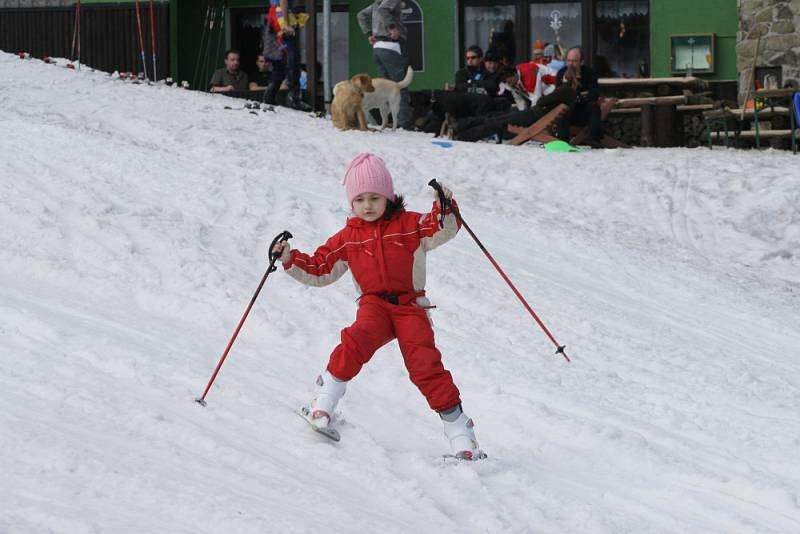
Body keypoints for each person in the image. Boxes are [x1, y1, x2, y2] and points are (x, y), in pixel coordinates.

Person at [272, 153, 486, 460]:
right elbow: (320, 268)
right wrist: (289, 259)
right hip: (373, 304)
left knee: (424, 365)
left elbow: (442, 228)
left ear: (388, 197)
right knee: (356, 340)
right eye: (359, 199)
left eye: (374, 197)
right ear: (351, 203)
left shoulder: (409, 225)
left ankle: (460, 432)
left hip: (410, 306)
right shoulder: (348, 237)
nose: (367, 205)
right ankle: (324, 401)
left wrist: (445, 206)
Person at [447, 84, 576, 142]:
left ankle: (462, 133)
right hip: (534, 116)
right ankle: (459, 126)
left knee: (497, 122)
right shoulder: (569, 94)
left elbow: (542, 101)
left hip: (533, 117)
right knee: (494, 117)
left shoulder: (565, 90)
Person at [357, 1, 413, 130]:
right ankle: (405, 125)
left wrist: (369, 33)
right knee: (400, 86)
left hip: (378, 48)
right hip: (391, 46)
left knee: (385, 89)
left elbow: (361, 15)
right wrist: (392, 27)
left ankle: (388, 122)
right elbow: (384, 9)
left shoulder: (378, 2)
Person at [262, 0, 311, 110]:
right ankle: (294, 98)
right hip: (280, 16)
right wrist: (286, 23)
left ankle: (269, 96)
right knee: (292, 60)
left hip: (276, 15)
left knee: (279, 62)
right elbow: (284, 1)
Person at [555, 47, 602, 142]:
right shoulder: (561, 73)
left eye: (574, 61)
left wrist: (580, 98)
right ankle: (562, 141)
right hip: (568, 112)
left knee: (594, 106)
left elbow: (594, 93)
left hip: (583, 112)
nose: (570, 64)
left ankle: (595, 140)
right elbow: (558, 95)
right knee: (562, 109)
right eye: (568, 61)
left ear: (581, 62)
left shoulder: (589, 73)